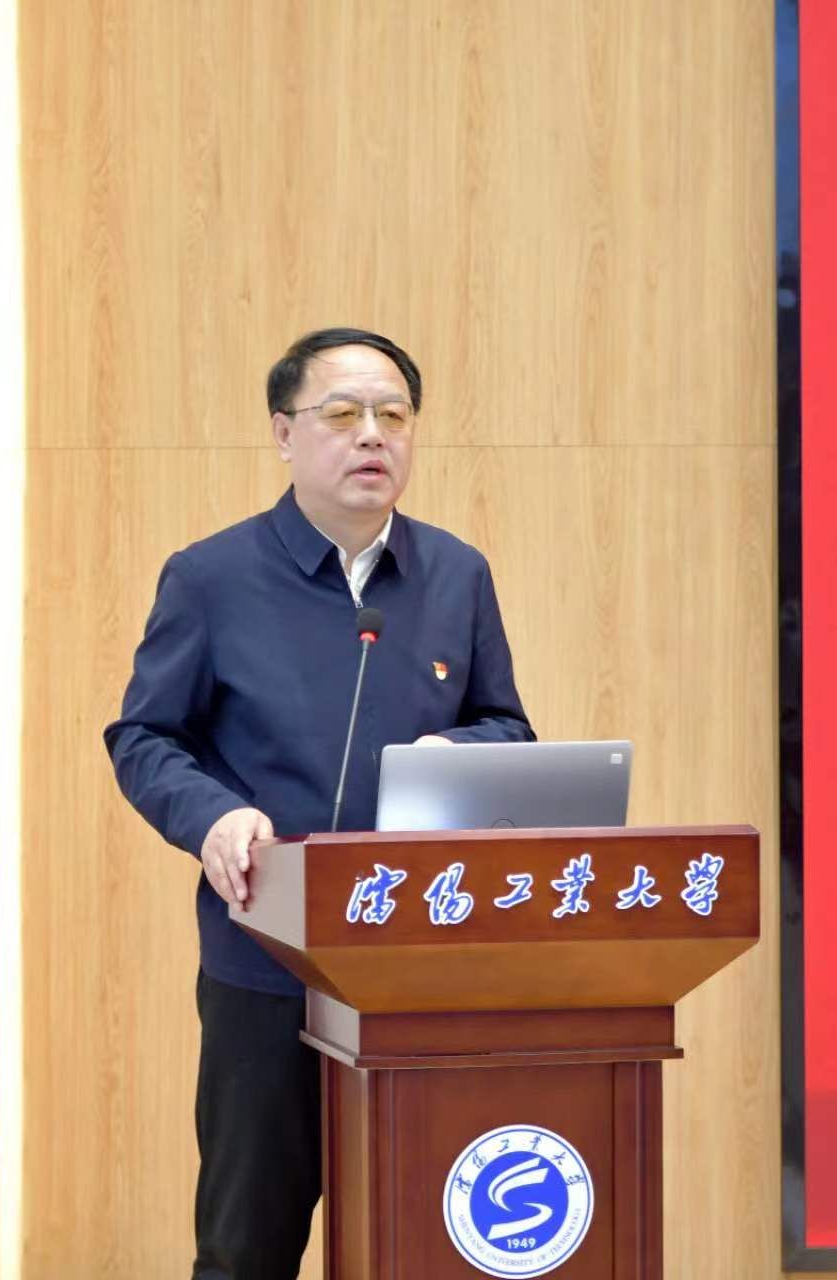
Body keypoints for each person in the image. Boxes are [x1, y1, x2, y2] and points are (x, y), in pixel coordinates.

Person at [104, 327, 536, 1280]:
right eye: (342, 414)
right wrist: (213, 816)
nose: (372, 434)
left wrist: (458, 752)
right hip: (270, 962)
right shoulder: (211, 578)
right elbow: (144, 738)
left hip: (421, 966)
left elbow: (508, 725)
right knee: (248, 1247)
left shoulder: (456, 574)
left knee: (429, 1238)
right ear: (283, 434)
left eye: (393, 415)